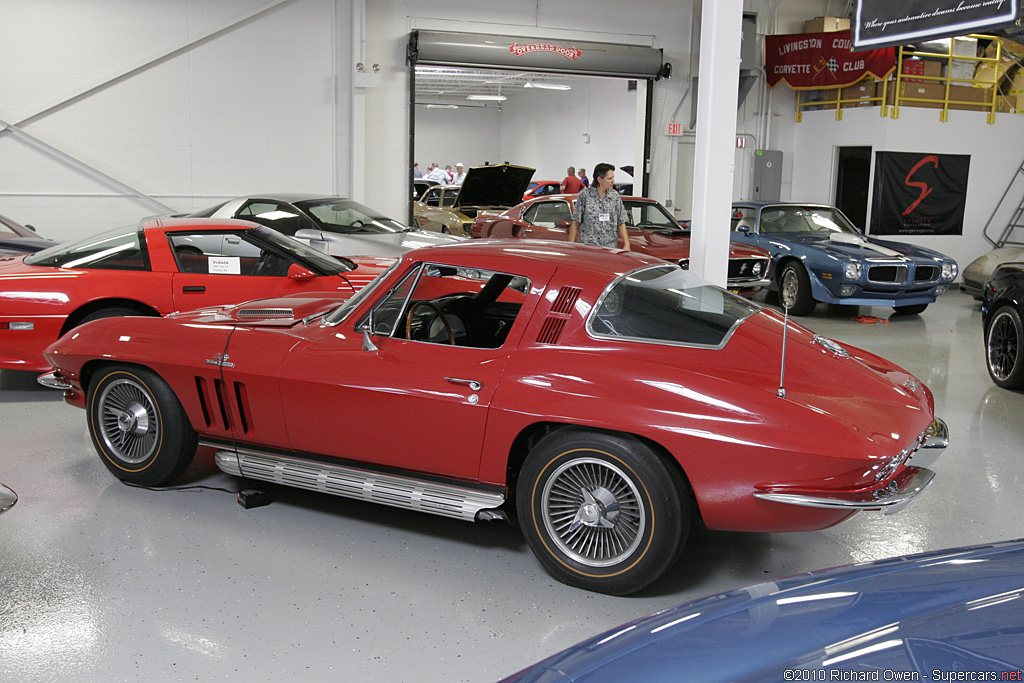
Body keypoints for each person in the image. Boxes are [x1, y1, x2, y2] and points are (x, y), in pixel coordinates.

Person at [569, 162, 630, 250]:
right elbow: (575, 223)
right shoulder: (585, 195)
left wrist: (627, 244)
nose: (613, 181)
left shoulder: (614, 196)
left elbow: (621, 222)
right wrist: (570, 247)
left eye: (613, 177)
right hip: (588, 248)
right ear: (600, 180)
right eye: (609, 178)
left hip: (610, 248)